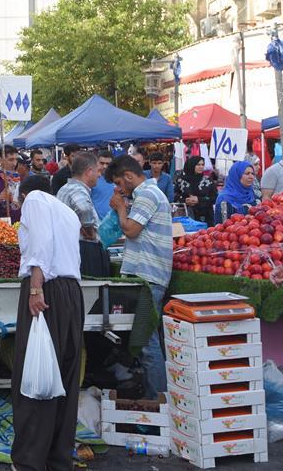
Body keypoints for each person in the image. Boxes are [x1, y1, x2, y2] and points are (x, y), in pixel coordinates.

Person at [9, 174, 83, 470]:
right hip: (70, 292)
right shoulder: (66, 210)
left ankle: (29, 461)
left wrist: (36, 287)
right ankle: (57, 459)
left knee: (36, 375)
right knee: (63, 376)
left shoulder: (35, 200)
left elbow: (40, 243)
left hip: (47, 289)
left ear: (24, 195)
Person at [107, 155, 172, 399]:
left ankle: (158, 399)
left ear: (129, 176)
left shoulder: (147, 194)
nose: (119, 189)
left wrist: (122, 208)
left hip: (149, 276)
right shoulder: (145, 194)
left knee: (147, 341)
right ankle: (155, 394)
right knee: (144, 340)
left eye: (120, 183)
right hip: (145, 275)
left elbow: (132, 230)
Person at [56, 152, 110, 277]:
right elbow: (83, 208)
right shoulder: (78, 189)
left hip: (74, 248)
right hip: (86, 249)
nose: (99, 175)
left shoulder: (65, 188)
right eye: (98, 171)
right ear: (89, 171)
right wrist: (89, 228)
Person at [174, 156, 218, 226]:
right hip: (186, 218)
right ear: (191, 165)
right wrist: (185, 200)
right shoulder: (180, 180)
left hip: (206, 216)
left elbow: (215, 198)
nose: (201, 167)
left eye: (202, 164)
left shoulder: (208, 180)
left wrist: (199, 199)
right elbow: (174, 196)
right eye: (198, 165)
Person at [92, 151, 116, 220]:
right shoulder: (92, 178)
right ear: (96, 163)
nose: (105, 166)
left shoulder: (117, 179)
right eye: (102, 163)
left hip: (114, 221)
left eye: (108, 164)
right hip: (97, 221)